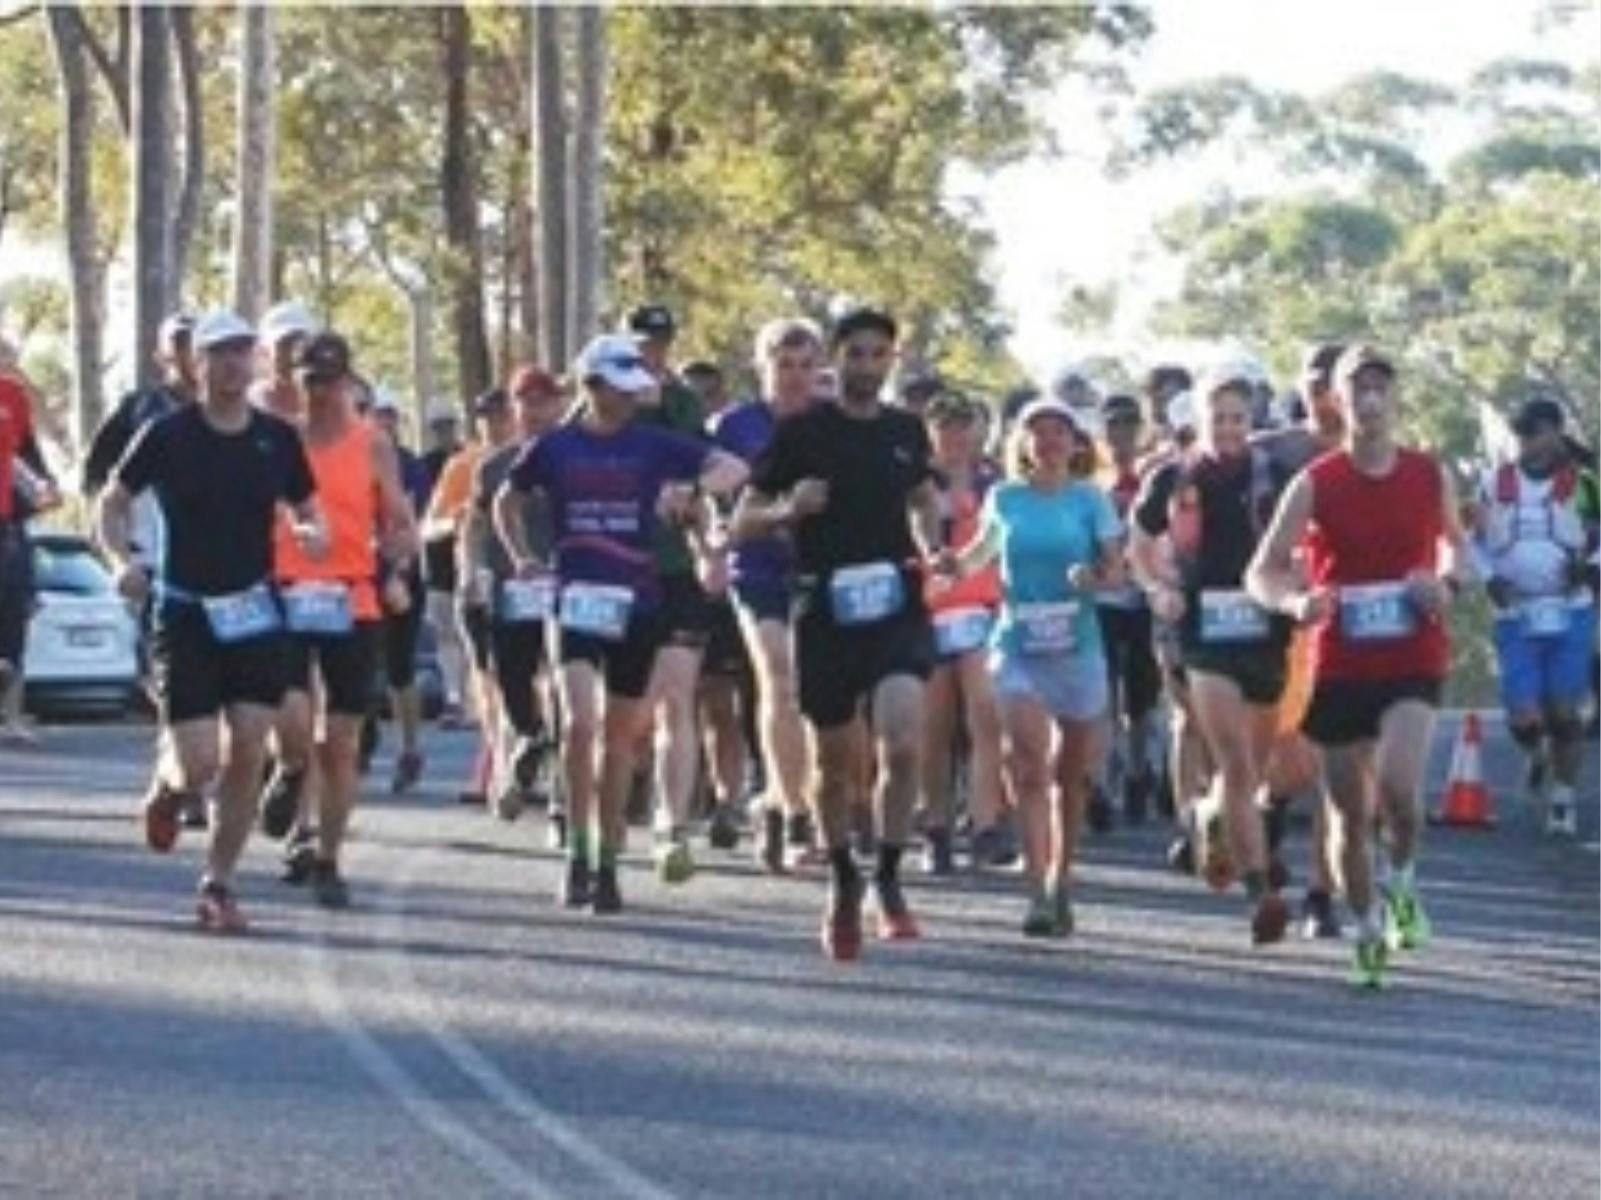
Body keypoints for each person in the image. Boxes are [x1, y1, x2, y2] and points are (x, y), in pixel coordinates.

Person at [494, 334, 747, 914]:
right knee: (579, 726)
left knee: (618, 739)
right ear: (593, 387)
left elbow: (733, 469)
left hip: (638, 603)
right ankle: (576, 852)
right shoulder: (554, 448)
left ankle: (606, 858)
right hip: (574, 599)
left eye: (639, 390)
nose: (634, 399)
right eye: (622, 388)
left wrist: (687, 488)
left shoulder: (655, 444)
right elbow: (507, 500)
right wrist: (523, 557)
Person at [1247, 344, 1473, 988]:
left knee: (1400, 791)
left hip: (1412, 651)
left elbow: (1457, 547)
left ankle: (1401, 885)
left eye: (1380, 387)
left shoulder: (1428, 474)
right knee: (1349, 814)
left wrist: (1446, 585)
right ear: (1335, 402)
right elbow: (1260, 570)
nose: (1370, 399)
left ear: (1394, 398)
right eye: (1357, 389)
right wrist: (1295, 600)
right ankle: (1368, 928)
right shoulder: (1316, 481)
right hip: (1341, 662)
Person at [95, 311, 326, 932]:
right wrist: (122, 559)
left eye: (241, 353)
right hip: (185, 609)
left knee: (251, 740)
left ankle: (218, 884)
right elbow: (112, 501)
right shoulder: (169, 436)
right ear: (196, 365)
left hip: (253, 610)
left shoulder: (277, 438)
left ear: (253, 360)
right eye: (218, 354)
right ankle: (170, 788)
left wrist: (311, 528)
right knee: (200, 762)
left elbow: (306, 502)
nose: (231, 365)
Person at [733, 307, 945, 962]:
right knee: (830, 765)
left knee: (903, 741)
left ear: (892, 360)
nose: (865, 365)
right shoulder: (802, 433)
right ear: (837, 358)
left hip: (893, 604)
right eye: (854, 353)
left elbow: (920, 497)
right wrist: (787, 509)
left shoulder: (907, 430)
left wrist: (930, 542)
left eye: (878, 354)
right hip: (823, 606)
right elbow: (742, 520)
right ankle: (843, 878)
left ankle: (887, 872)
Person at [1131, 366, 1296, 945]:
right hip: (1202, 633)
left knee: (1254, 771)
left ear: (1251, 423)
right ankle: (1260, 892)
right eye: (1216, 419)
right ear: (1196, 423)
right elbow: (1138, 543)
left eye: (1237, 419)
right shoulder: (1172, 478)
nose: (1227, 429)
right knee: (1236, 764)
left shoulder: (1275, 474)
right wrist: (1159, 589)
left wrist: (1299, 584)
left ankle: (1207, 816)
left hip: (1266, 630)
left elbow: (1309, 531)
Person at [945, 397, 1123, 936]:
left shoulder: (1091, 500)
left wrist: (1095, 578)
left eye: (1058, 433)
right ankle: (1037, 893)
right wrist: (949, 565)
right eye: (1036, 433)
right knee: (1027, 766)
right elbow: (979, 555)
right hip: (1018, 643)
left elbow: (1116, 569)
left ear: (1075, 444)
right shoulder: (1005, 498)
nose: (1047, 442)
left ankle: (1061, 880)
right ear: (1021, 443)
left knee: (1071, 778)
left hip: (1078, 647)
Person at [265, 333, 415, 907]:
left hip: (352, 598)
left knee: (342, 740)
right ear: (296, 384)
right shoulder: (278, 443)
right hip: (285, 593)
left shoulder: (373, 445)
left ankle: (326, 858)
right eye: (311, 382)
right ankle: (289, 768)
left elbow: (398, 522)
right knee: (293, 719)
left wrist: (395, 567)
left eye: (331, 381)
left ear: (349, 382)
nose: (322, 393)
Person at [713, 318, 824, 872]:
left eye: (807, 366)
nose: (796, 378)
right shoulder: (736, 426)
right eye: (785, 365)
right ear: (763, 367)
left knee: (815, 690)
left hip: (817, 571)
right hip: (755, 566)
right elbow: (724, 517)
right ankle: (794, 808)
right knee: (779, 675)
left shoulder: (832, 423)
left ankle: (780, 801)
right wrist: (783, 512)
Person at [1473, 395, 1598, 836]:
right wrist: (1490, 577)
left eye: (1536, 432)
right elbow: (1474, 540)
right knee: (1524, 714)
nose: (1528, 442)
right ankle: (1535, 751)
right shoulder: (1493, 484)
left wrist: (1591, 567)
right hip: (1517, 613)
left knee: (1566, 712)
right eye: (1521, 434)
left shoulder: (1584, 484)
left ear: (1555, 433)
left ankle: (1563, 798)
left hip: (1572, 609)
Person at [628, 304, 720, 883]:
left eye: (660, 343)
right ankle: (599, 813)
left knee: (676, 700)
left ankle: (672, 824)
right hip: (614, 570)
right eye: (642, 343)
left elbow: (710, 471)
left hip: (674, 565)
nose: (651, 353)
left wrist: (703, 528)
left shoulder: (684, 405)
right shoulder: (601, 399)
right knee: (626, 713)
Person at [460, 366, 566, 821]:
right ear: (514, 409)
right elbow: (475, 523)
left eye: (544, 401)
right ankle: (532, 735)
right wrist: (473, 570)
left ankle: (564, 791)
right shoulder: (494, 465)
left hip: (566, 586)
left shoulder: (575, 455)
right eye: (526, 402)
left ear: (559, 406)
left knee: (566, 682)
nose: (535, 410)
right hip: (514, 586)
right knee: (512, 679)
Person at [919, 393, 1008, 874]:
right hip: (928, 611)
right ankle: (935, 826)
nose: (954, 437)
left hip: (980, 607)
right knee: (933, 726)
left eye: (963, 426)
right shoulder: (915, 482)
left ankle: (984, 824)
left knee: (985, 720)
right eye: (944, 426)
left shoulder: (994, 484)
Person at [1092, 391, 1163, 830]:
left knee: (1141, 694)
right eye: (1113, 425)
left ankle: (1139, 770)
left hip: (1143, 597)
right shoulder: (1091, 481)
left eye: (1129, 426)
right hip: (1101, 597)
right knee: (1101, 690)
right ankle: (1099, 779)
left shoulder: (1153, 475)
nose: (1121, 435)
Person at [366, 388, 429, 790]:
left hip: (399, 571)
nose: (385, 422)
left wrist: (400, 570)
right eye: (378, 414)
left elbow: (409, 517)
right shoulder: (352, 455)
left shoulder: (410, 465)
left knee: (399, 667)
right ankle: (361, 738)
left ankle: (410, 746)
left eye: (391, 416)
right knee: (358, 662)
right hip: (359, 572)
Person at [0, 341, 61, 745]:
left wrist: (43, 484)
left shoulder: (12, 397)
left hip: (7, 523)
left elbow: (23, 455)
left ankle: (11, 716)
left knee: (14, 616)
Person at [419, 400, 472, 727]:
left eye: (449, 424)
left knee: (471, 632)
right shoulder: (423, 465)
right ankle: (454, 696)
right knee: (445, 631)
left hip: (471, 556)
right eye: (438, 426)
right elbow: (422, 515)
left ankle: (472, 699)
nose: (444, 432)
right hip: (438, 556)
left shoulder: (471, 459)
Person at [251, 301, 319, 421]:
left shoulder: (330, 403)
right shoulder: (253, 404)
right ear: (265, 351)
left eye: (301, 344)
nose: (294, 353)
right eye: (285, 344)